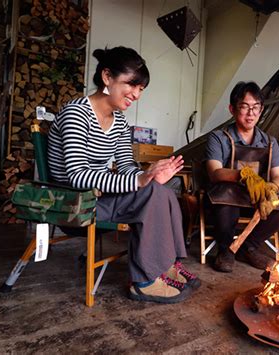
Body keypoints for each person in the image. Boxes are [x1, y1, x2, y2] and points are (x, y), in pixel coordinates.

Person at [47, 46, 200, 303]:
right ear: (107, 77)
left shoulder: (119, 123)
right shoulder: (76, 113)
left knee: (161, 190)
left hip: (97, 197)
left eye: (141, 89)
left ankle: (166, 265)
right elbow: (77, 175)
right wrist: (140, 181)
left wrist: (149, 175)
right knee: (151, 192)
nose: (137, 95)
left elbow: (127, 166)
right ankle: (144, 281)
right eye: (132, 84)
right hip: (72, 202)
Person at [205, 81, 279, 273]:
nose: (251, 113)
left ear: (261, 111)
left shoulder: (270, 142)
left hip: (255, 199)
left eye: (256, 108)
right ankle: (225, 249)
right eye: (244, 107)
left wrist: (270, 188)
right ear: (232, 109)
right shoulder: (218, 137)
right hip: (226, 199)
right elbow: (215, 172)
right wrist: (244, 175)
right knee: (226, 195)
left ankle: (248, 246)